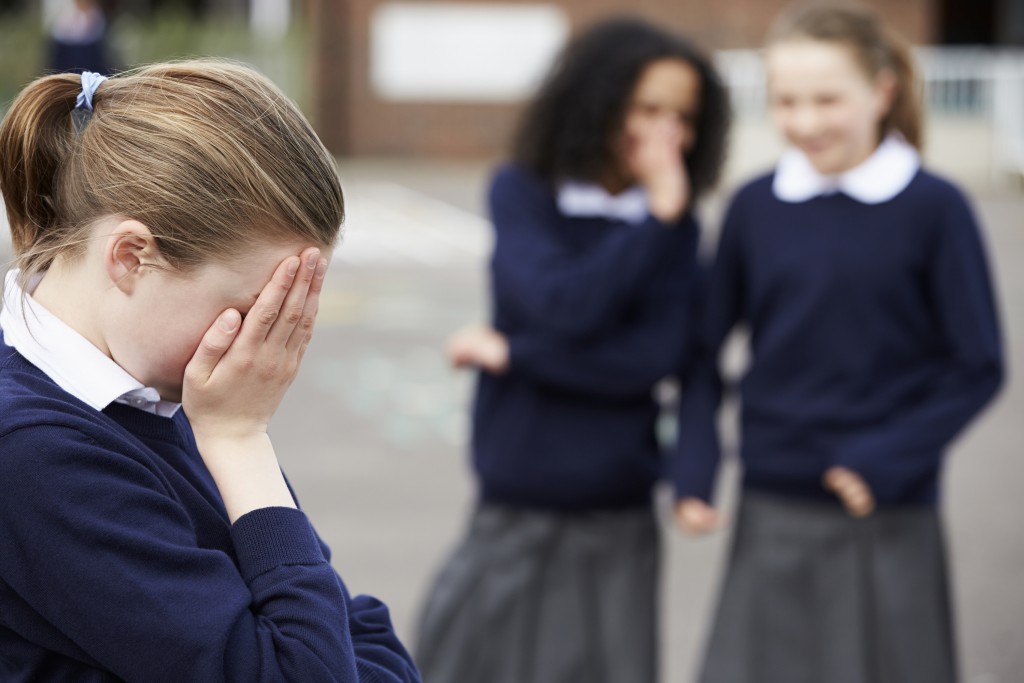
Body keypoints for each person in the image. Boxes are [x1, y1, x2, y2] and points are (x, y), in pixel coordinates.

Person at [0, 63, 420, 682]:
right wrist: (240, 440)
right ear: (130, 257)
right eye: (255, 311)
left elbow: (348, 628)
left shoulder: (164, 396)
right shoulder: (34, 454)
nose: (268, 347)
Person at [672, 5, 1004, 683]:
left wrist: (887, 458)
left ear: (882, 92)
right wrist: (695, 467)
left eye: (828, 99)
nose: (805, 122)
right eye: (786, 101)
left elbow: (978, 365)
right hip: (771, 507)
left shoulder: (934, 207)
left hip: (888, 510)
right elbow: (702, 351)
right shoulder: (754, 206)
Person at [414, 17, 729, 683]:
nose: (666, 133)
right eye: (647, 109)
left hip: (617, 502)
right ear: (597, 101)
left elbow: (652, 359)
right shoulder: (524, 192)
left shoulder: (674, 222)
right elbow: (564, 304)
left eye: (684, 116)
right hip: (516, 490)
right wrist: (656, 219)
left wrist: (518, 353)